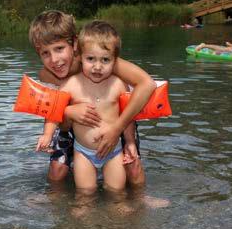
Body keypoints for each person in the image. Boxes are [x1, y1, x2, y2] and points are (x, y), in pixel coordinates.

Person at [28, 10, 156, 186]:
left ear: (74, 44)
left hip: (115, 120)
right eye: (45, 53)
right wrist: (69, 111)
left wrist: (117, 130)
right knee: (57, 171)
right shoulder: (46, 75)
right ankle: (55, 198)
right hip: (73, 125)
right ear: (38, 53)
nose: (55, 60)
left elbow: (147, 84)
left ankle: (139, 198)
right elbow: (59, 120)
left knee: (133, 168)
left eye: (59, 49)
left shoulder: (98, 60)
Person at [36, 21, 129, 193]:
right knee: (85, 194)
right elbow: (53, 110)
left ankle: (139, 198)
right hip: (83, 152)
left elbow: (128, 116)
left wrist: (129, 142)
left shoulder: (118, 83)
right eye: (91, 59)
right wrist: (47, 135)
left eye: (105, 60)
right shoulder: (70, 84)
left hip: (113, 150)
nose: (97, 66)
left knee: (117, 193)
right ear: (82, 56)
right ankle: (53, 197)